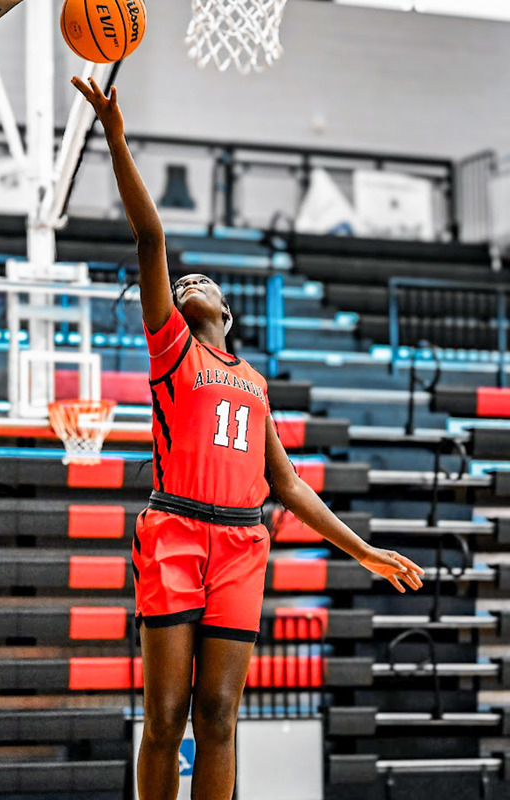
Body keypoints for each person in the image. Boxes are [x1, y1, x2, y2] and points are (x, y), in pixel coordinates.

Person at [71, 76, 425, 800]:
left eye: (203, 282)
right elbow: (151, 238)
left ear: (227, 315)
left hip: (241, 542)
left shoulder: (255, 382)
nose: (188, 282)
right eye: (182, 283)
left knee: (220, 717)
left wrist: (362, 550)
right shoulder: (172, 349)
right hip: (174, 531)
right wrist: (114, 136)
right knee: (165, 719)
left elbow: (286, 484)